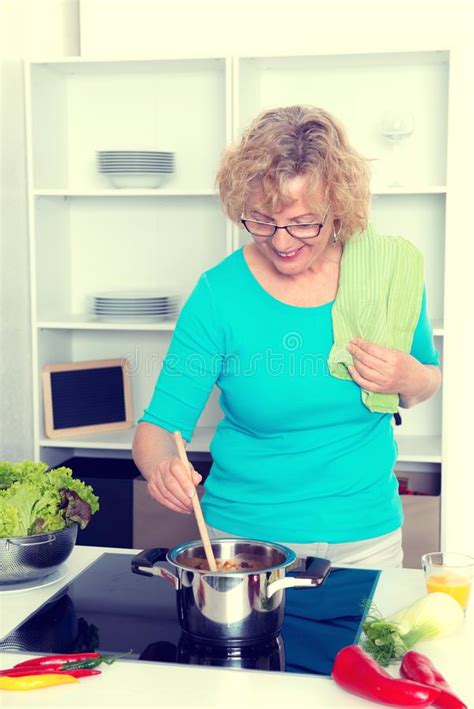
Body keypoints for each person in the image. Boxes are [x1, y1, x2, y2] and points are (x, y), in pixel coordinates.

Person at [132, 105, 441, 568]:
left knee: (365, 645)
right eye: (261, 220)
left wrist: (408, 375)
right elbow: (157, 428)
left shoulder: (387, 272)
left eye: (303, 223)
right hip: (245, 544)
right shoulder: (219, 294)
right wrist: (162, 469)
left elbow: (425, 383)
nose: (281, 241)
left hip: (367, 537)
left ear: (338, 207)